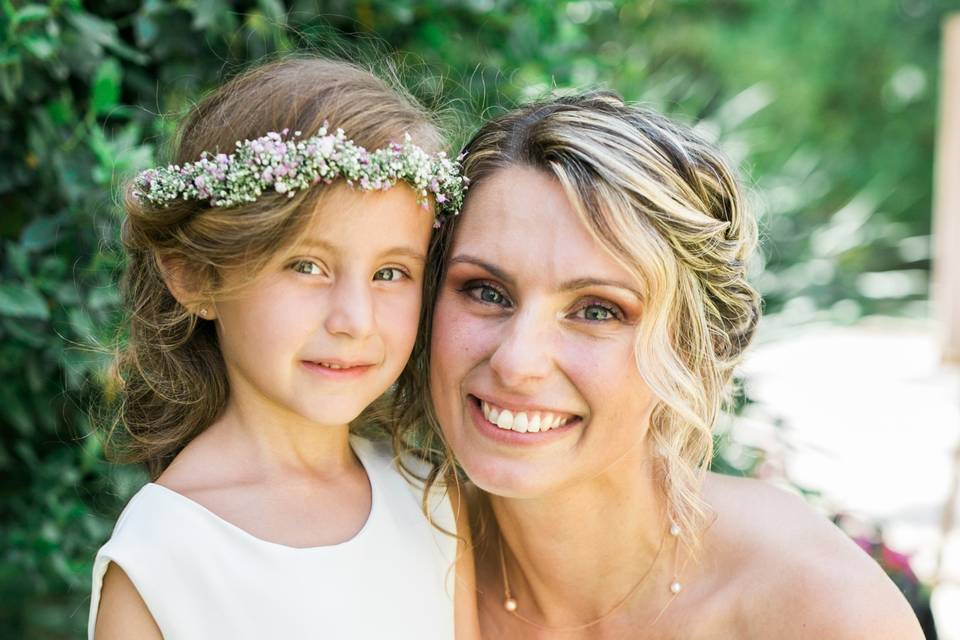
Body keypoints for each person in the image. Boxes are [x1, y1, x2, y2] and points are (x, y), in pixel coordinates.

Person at [396, 91, 925, 638]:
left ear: (691, 346)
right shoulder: (383, 551)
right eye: (486, 291)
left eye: (597, 310)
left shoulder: (821, 609)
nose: (516, 362)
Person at [89, 57, 477, 640]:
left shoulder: (432, 496)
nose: (354, 319)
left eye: (392, 273)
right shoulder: (163, 554)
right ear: (196, 278)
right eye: (307, 265)